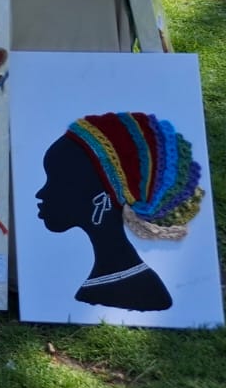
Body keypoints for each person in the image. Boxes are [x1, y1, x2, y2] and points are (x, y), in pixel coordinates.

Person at [36, 112, 204, 312]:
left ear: (101, 197)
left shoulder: (136, 287)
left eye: (58, 181)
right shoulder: (118, 275)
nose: (41, 193)